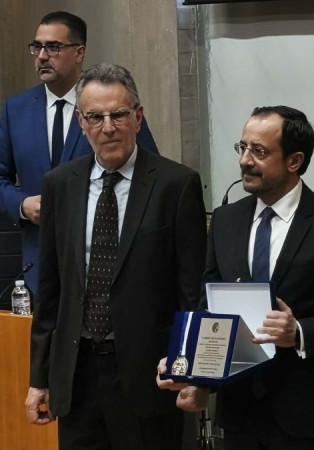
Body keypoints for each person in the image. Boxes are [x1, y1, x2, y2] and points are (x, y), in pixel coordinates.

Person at [158, 105, 314, 450]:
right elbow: (208, 308)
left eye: (259, 151)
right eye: (242, 147)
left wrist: (299, 332)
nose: (245, 161)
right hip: (239, 416)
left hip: (307, 416)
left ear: (294, 161)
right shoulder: (224, 220)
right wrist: (193, 373)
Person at [25, 63, 206, 450]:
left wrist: (191, 370)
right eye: (95, 117)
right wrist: (39, 378)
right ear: (81, 123)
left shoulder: (176, 185)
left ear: (138, 117)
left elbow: (190, 291)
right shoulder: (60, 185)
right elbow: (51, 289)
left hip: (149, 378)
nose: (108, 127)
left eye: (118, 115)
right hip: (77, 375)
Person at [0, 11, 158, 295]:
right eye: (37, 47)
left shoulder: (111, 104)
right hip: (40, 264)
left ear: (79, 52)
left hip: (104, 261)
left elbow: (149, 172)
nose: (42, 56)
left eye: (53, 47)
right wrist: (22, 205)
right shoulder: (16, 109)